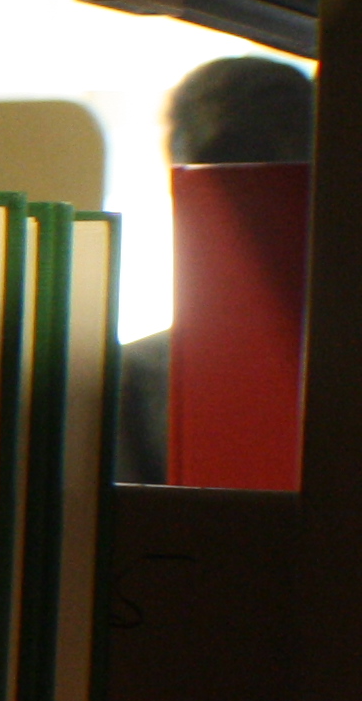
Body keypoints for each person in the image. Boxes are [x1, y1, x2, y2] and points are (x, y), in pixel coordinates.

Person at [114, 54, 314, 483]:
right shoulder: (133, 376)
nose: (251, 190)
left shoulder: (135, 374)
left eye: (274, 160)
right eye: (228, 160)